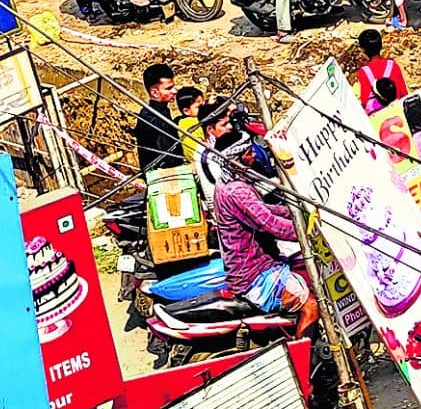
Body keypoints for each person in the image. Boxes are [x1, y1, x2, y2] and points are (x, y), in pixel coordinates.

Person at [208, 132, 315, 333]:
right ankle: (304, 350)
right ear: (235, 160)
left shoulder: (228, 183)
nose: (254, 155)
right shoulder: (236, 191)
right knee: (310, 306)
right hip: (254, 274)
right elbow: (269, 223)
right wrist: (308, 233)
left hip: (260, 263)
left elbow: (265, 210)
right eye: (248, 153)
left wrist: (296, 213)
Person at [135, 64, 186, 172]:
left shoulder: (163, 110)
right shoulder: (149, 118)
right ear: (155, 93)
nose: (175, 91)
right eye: (169, 88)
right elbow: (167, 154)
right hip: (160, 174)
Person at [352, 29, 406, 116]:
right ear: (381, 46)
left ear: (363, 50)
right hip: (398, 112)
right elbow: (404, 94)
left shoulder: (364, 71)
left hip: (378, 117)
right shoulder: (393, 65)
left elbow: (365, 101)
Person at [175, 85, 207, 164]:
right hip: (202, 159)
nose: (204, 108)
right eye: (199, 107)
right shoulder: (195, 122)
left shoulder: (181, 122)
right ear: (186, 111)